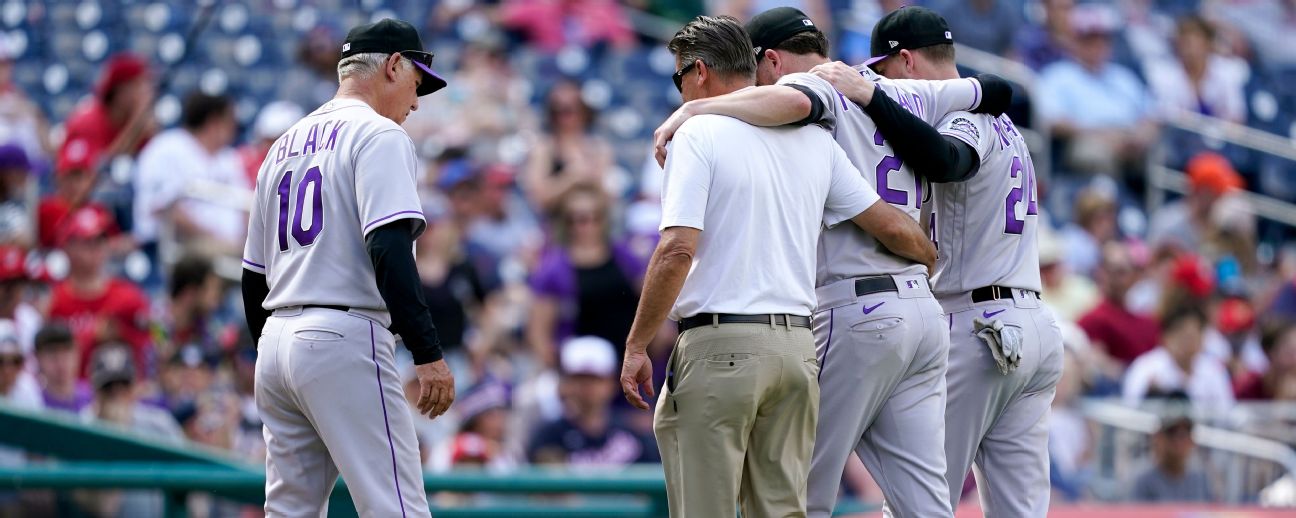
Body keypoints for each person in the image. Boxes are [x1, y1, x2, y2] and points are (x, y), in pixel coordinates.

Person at [650, 6, 1010, 516]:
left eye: (756, 73)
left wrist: (693, 110)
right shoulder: (888, 86)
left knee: (799, 494)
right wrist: (926, 255)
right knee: (924, 505)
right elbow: (996, 89)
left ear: (770, 60)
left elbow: (793, 99)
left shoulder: (819, 86)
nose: (753, 86)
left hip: (855, 306)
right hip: (920, 309)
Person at [240, 19, 454, 517]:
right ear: (394, 65)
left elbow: (254, 276)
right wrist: (427, 353)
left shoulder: (282, 145)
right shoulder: (378, 134)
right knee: (396, 509)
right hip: (343, 334)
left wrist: (269, 356)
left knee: (290, 511)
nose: (416, 101)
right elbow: (388, 248)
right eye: (416, 83)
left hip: (277, 340)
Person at [858, 7, 1065, 515]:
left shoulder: (964, 115)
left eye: (882, 73)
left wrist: (870, 99)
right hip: (1032, 323)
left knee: (919, 501)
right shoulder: (1003, 120)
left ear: (904, 62)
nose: (884, 86)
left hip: (981, 325)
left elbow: (948, 161)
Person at [1034, 3, 1158, 177]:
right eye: (1089, 40)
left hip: (1127, 138)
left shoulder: (1123, 76)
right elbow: (1052, 121)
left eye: (1102, 39)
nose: (1096, 46)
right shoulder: (1058, 75)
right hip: (1083, 138)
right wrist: (1100, 136)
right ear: (1075, 41)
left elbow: (1152, 114)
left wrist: (1140, 136)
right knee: (1093, 154)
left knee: (1158, 154)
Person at [529, 185, 643, 368]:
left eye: (594, 217)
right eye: (579, 219)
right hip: (582, 365)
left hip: (627, 358)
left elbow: (648, 297)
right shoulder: (553, 268)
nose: (587, 225)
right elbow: (539, 331)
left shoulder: (624, 255)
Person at [133, 92, 248, 257]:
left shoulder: (228, 158)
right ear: (214, 122)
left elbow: (246, 208)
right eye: (230, 121)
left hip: (227, 251)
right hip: (177, 247)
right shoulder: (167, 148)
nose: (235, 128)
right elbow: (166, 209)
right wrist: (218, 241)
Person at [77, 345, 183, 518]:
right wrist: (116, 435)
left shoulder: (158, 423)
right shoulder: (82, 427)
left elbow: (191, 478)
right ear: (95, 390)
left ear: (135, 386)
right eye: (109, 388)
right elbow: (104, 509)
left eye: (124, 385)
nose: (117, 394)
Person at [47, 207, 152, 380]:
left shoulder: (130, 297)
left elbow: (155, 341)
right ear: (68, 246)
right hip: (71, 392)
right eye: (87, 241)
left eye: (100, 240)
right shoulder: (54, 301)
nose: (95, 247)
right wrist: (92, 337)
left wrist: (123, 335)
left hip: (120, 390)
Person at [528, 336, 658, 465]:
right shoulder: (549, 437)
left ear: (611, 383)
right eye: (579, 378)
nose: (587, 386)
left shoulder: (633, 433)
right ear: (565, 383)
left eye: (596, 379)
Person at [523, 80, 616, 211]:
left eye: (569, 110)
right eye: (556, 110)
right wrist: (571, 179)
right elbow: (536, 199)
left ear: (584, 111)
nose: (562, 117)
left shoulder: (599, 148)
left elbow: (608, 197)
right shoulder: (543, 148)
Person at [1123, 304, 1235, 412]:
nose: (1187, 342)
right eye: (1182, 335)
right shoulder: (1145, 367)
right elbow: (1132, 412)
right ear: (1166, 336)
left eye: (1192, 336)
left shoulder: (1214, 369)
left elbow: (1226, 413)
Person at [58, 53, 156, 174]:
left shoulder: (140, 122)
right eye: (139, 85)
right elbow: (99, 173)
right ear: (120, 92)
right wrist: (136, 124)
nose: (147, 93)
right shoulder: (87, 122)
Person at [1078, 243, 1162, 367]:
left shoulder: (1148, 322)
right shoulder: (1093, 320)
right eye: (1109, 270)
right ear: (1100, 274)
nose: (1113, 278)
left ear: (1135, 276)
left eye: (1121, 272)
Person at [1129, 416, 1215, 502]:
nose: (1179, 441)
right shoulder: (1143, 480)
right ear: (1158, 438)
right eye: (1172, 433)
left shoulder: (1201, 479)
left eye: (1185, 434)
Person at [32, 323, 91, 413]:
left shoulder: (94, 397)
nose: (60, 362)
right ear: (37, 357)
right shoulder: (33, 401)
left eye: (66, 352)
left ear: (77, 353)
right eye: (52, 354)